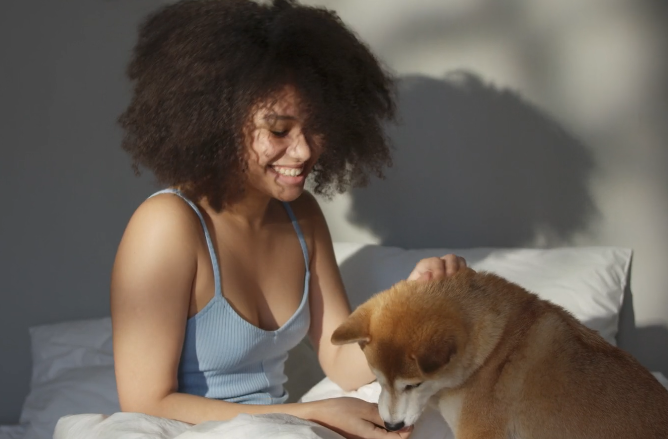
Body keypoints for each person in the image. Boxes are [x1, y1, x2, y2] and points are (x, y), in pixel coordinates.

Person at [110, 1, 467, 438]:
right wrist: (311, 415)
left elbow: (341, 361)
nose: (303, 151)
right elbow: (145, 402)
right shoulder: (167, 224)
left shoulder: (302, 216)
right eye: (279, 130)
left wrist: (412, 302)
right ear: (216, 123)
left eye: (315, 127)